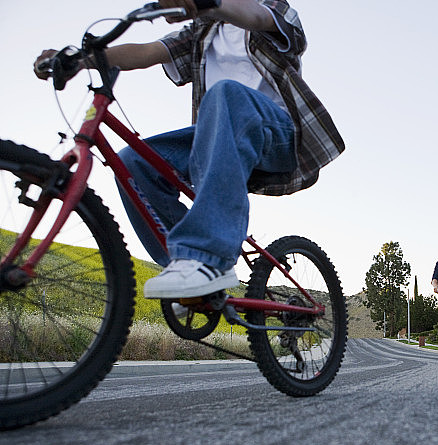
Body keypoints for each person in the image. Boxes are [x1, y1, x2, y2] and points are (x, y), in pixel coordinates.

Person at [34, 0, 344, 299]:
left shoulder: (275, 10)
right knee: (134, 161)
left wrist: (207, 3)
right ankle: (185, 272)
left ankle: (207, 256)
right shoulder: (201, 32)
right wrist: (81, 60)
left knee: (227, 95)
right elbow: (148, 51)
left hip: (277, 133)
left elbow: (255, 16)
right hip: (220, 135)